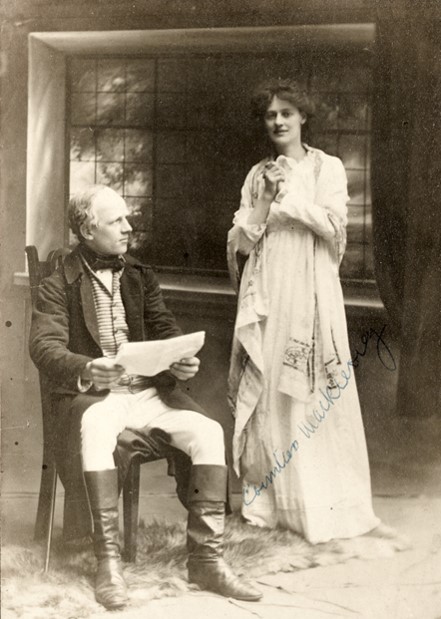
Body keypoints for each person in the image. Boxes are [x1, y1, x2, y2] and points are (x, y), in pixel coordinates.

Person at [29, 185, 262, 609]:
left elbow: (164, 327)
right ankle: (108, 564)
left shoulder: (138, 274)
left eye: (126, 218)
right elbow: (44, 346)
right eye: (116, 220)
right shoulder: (58, 281)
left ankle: (206, 561)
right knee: (97, 425)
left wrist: (180, 359)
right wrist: (86, 368)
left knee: (208, 432)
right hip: (98, 398)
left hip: (149, 394)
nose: (128, 227)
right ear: (86, 228)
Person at [227, 79, 387, 544]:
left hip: (313, 291)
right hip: (268, 292)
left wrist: (287, 199)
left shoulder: (327, 168)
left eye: (286, 114)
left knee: (312, 396)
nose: (277, 121)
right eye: (270, 115)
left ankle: (321, 506)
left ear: (303, 119)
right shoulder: (258, 174)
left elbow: (333, 227)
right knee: (271, 391)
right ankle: (273, 505)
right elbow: (241, 239)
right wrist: (262, 199)